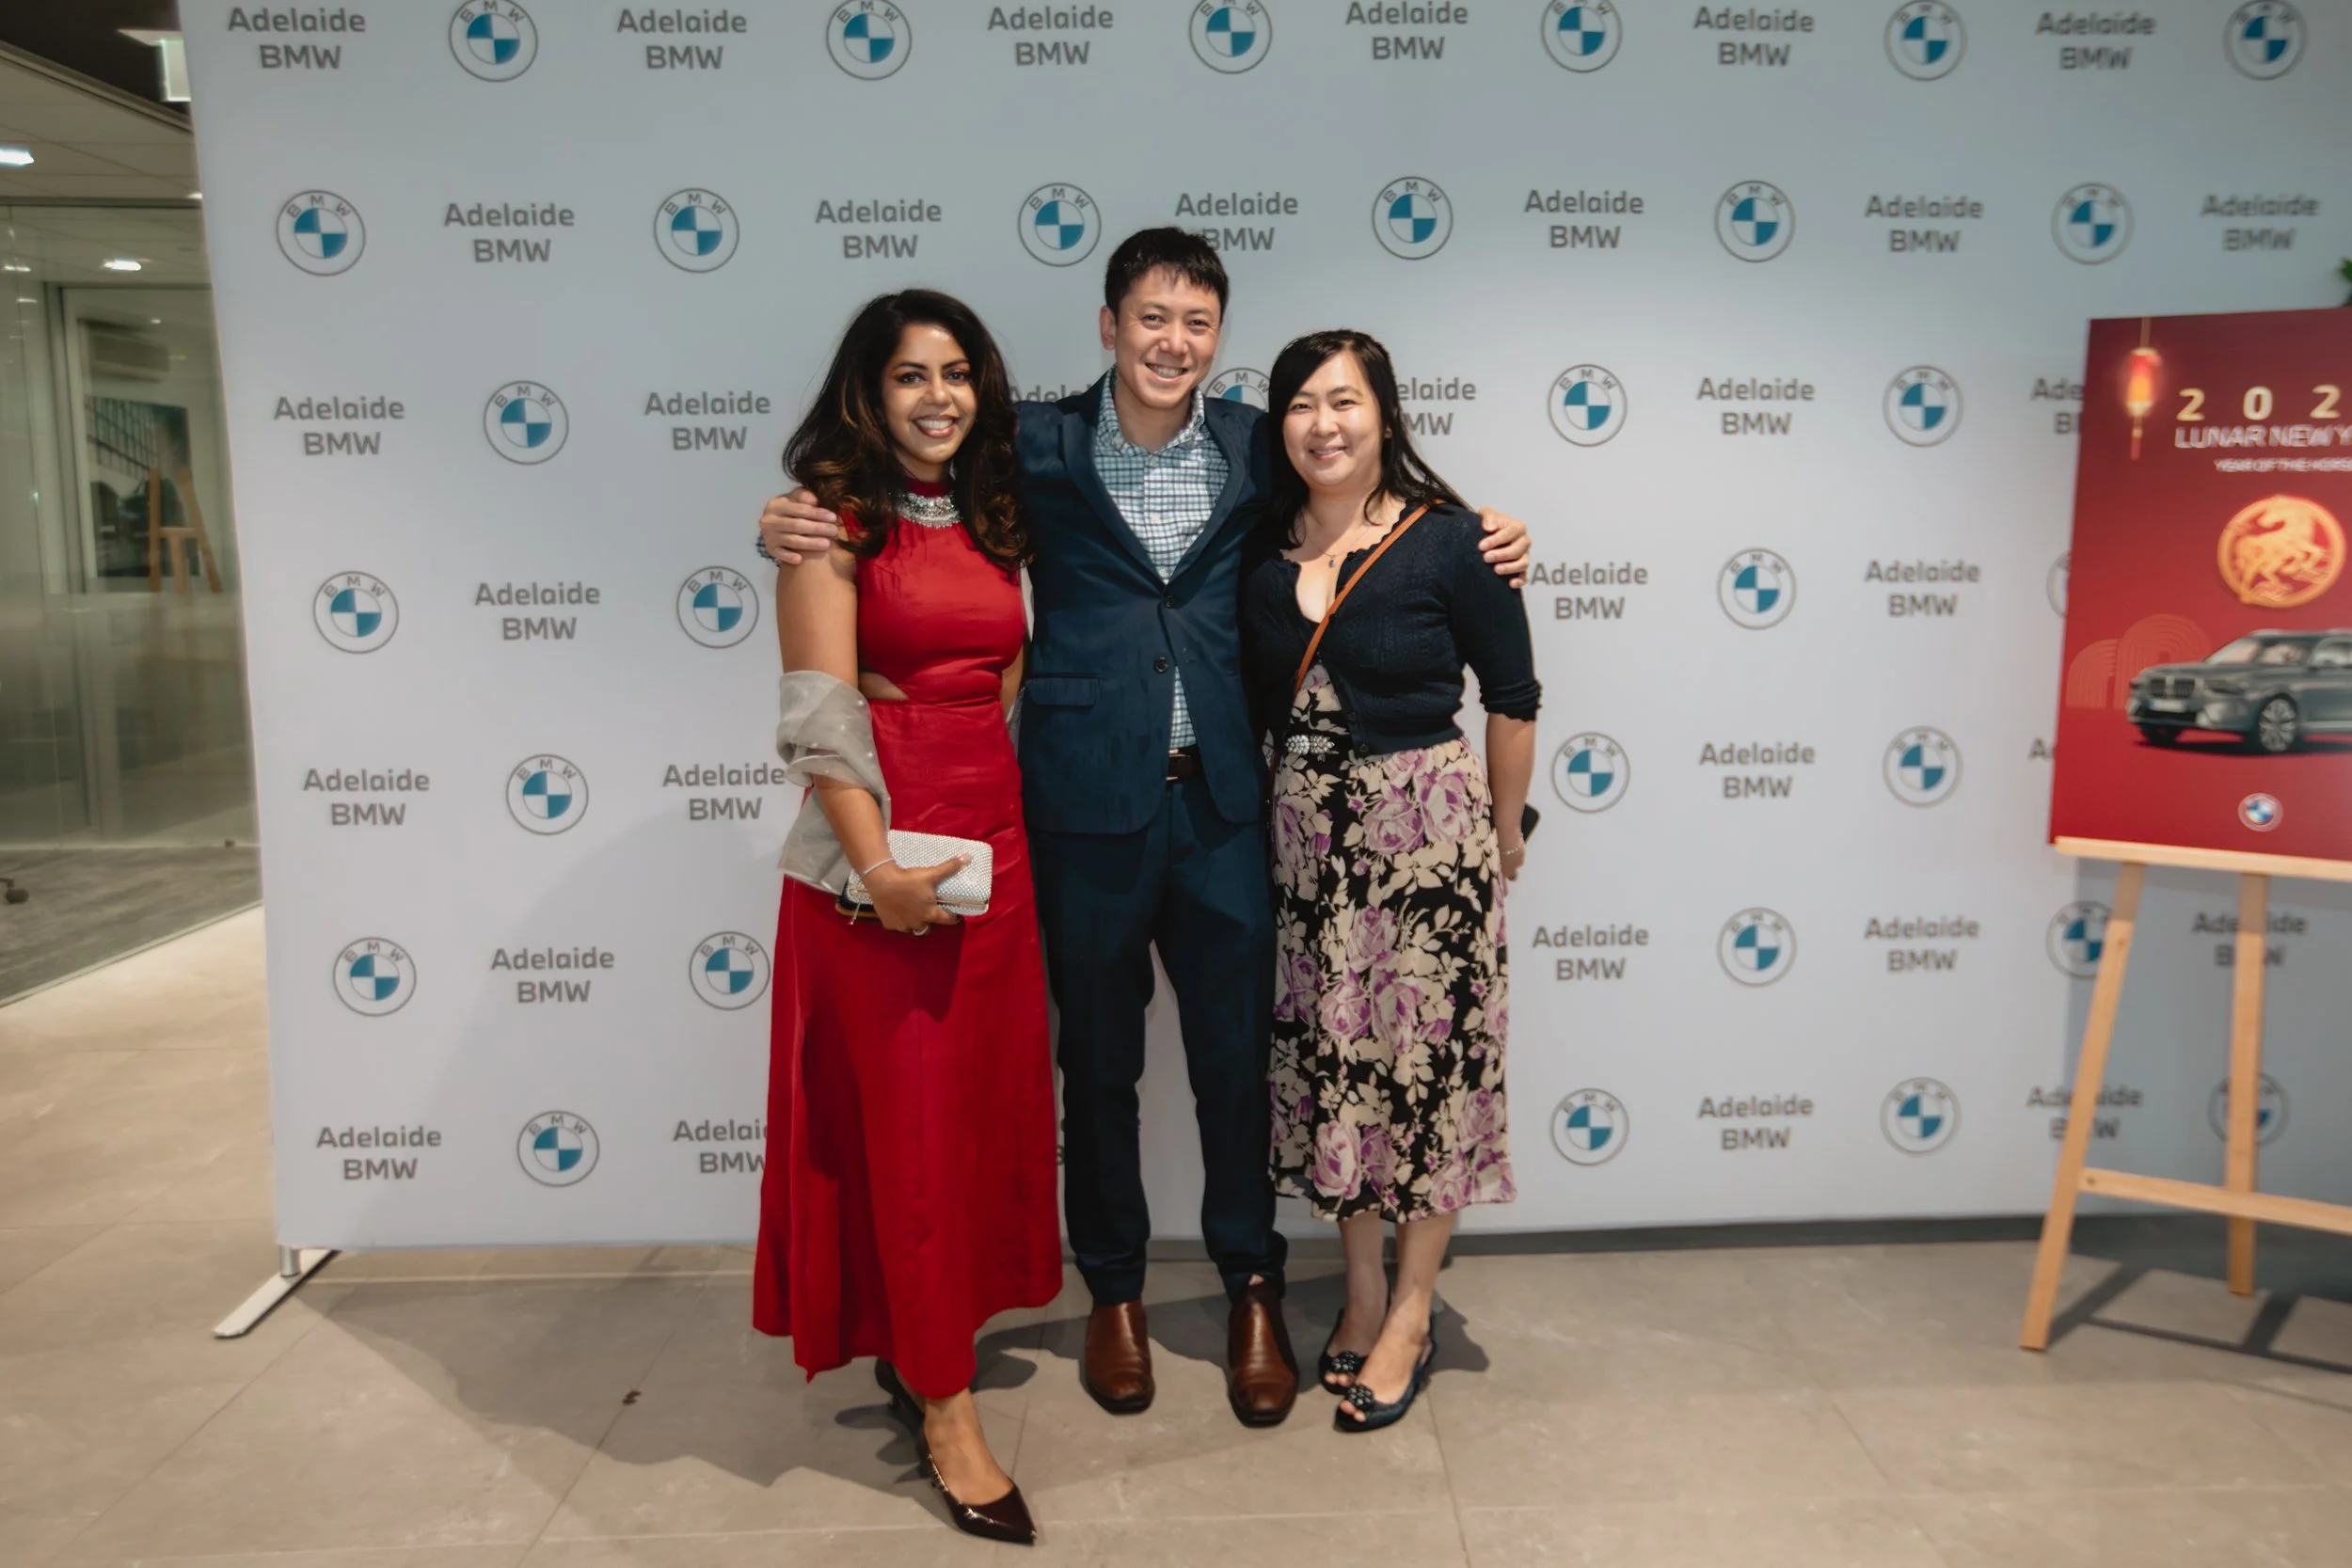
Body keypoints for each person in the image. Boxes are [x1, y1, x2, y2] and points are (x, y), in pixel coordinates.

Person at [757, 230, 1530, 1430]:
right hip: (1078, 805)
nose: (1174, 342)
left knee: (1235, 1064)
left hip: (1227, 805)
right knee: (1099, 1065)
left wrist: (1486, 530)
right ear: (1109, 324)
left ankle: (1252, 1282)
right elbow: (907, 485)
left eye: (1197, 322)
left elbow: (1360, 494)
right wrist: (789, 520)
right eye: (1152, 317)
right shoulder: (1030, 444)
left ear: (1218, 338)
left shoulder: (1256, 443)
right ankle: (1112, 1289)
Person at [754, 290, 1057, 1546]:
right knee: (912, 1128)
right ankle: (945, 1404)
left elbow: (1004, 673)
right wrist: (877, 865)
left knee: (967, 1119)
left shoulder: (995, 511)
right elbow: (822, 714)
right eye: (910, 375)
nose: (939, 397)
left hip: (995, 840)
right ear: (866, 392)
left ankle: (919, 1335)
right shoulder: (827, 522)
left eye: (957, 374)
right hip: (881, 853)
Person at [1239, 329, 1537, 1432]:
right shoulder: (1257, 549)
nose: (1323, 423)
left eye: (1345, 401)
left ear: (1385, 415)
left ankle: (1412, 1307)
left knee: (1428, 1074)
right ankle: (1359, 1288)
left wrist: (1501, 837)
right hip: (1304, 851)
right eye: (1301, 404)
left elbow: (1513, 698)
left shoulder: (1454, 541)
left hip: (1426, 843)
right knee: (1340, 1069)